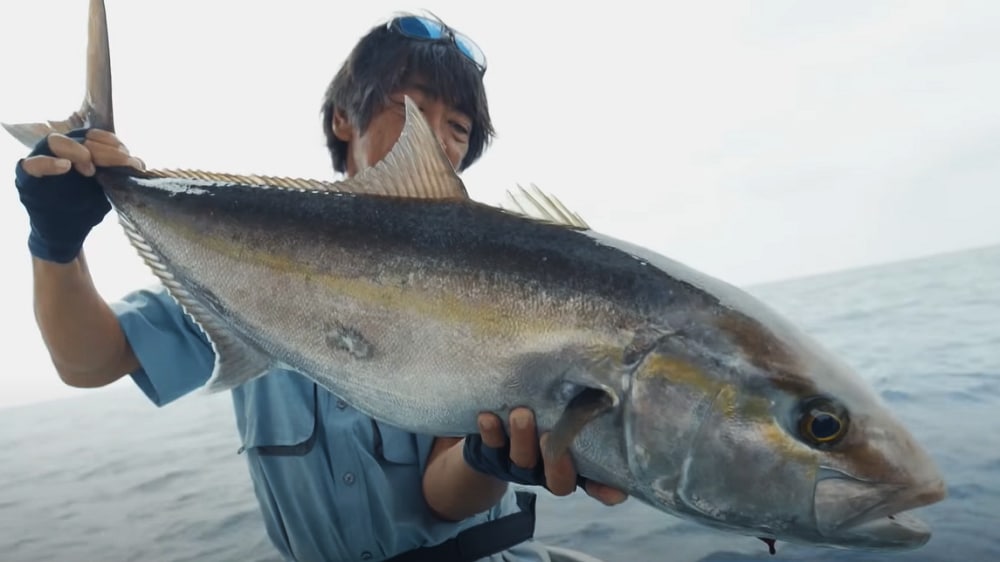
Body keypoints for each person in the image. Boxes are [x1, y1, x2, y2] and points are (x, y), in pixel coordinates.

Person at [12, 12, 628, 562]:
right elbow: (87, 361)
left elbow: (445, 497)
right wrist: (56, 242)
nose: (438, 138)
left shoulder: (495, 287)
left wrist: (484, 458)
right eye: (412, 108)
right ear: (342, 118)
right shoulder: (245, 258)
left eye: (459, 128)